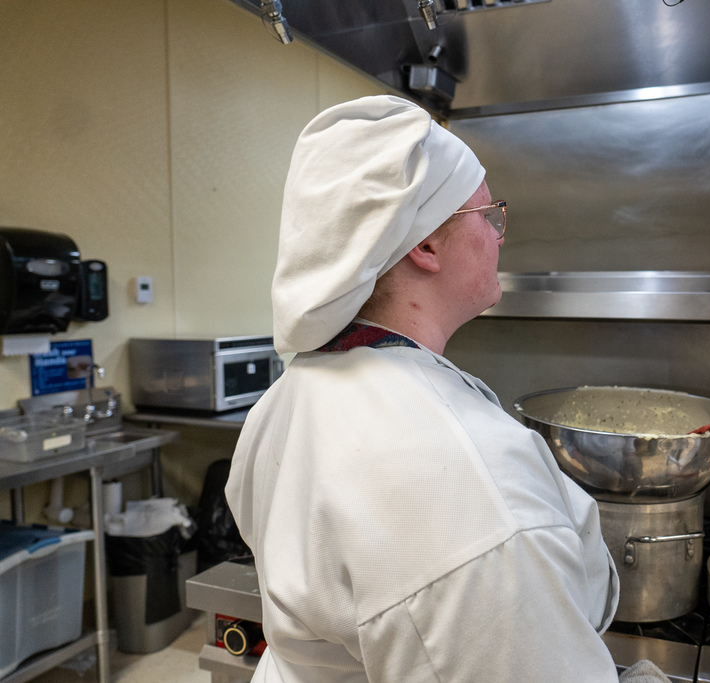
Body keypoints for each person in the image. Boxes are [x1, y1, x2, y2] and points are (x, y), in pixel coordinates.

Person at [225, 95, 670, 683]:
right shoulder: (474, 498)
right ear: (426, 246)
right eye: (487, 215)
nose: (498, 235)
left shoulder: (292, 396)